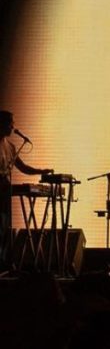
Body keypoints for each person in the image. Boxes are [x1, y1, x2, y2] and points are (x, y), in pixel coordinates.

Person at [0, 110, 52, 268]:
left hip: (4, 188)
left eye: (13, 123)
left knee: (5, 225)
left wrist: (40, 171)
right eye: (10, 123)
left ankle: (3, 262)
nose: (13, 126)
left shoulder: (10, 146)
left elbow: (22, 167)